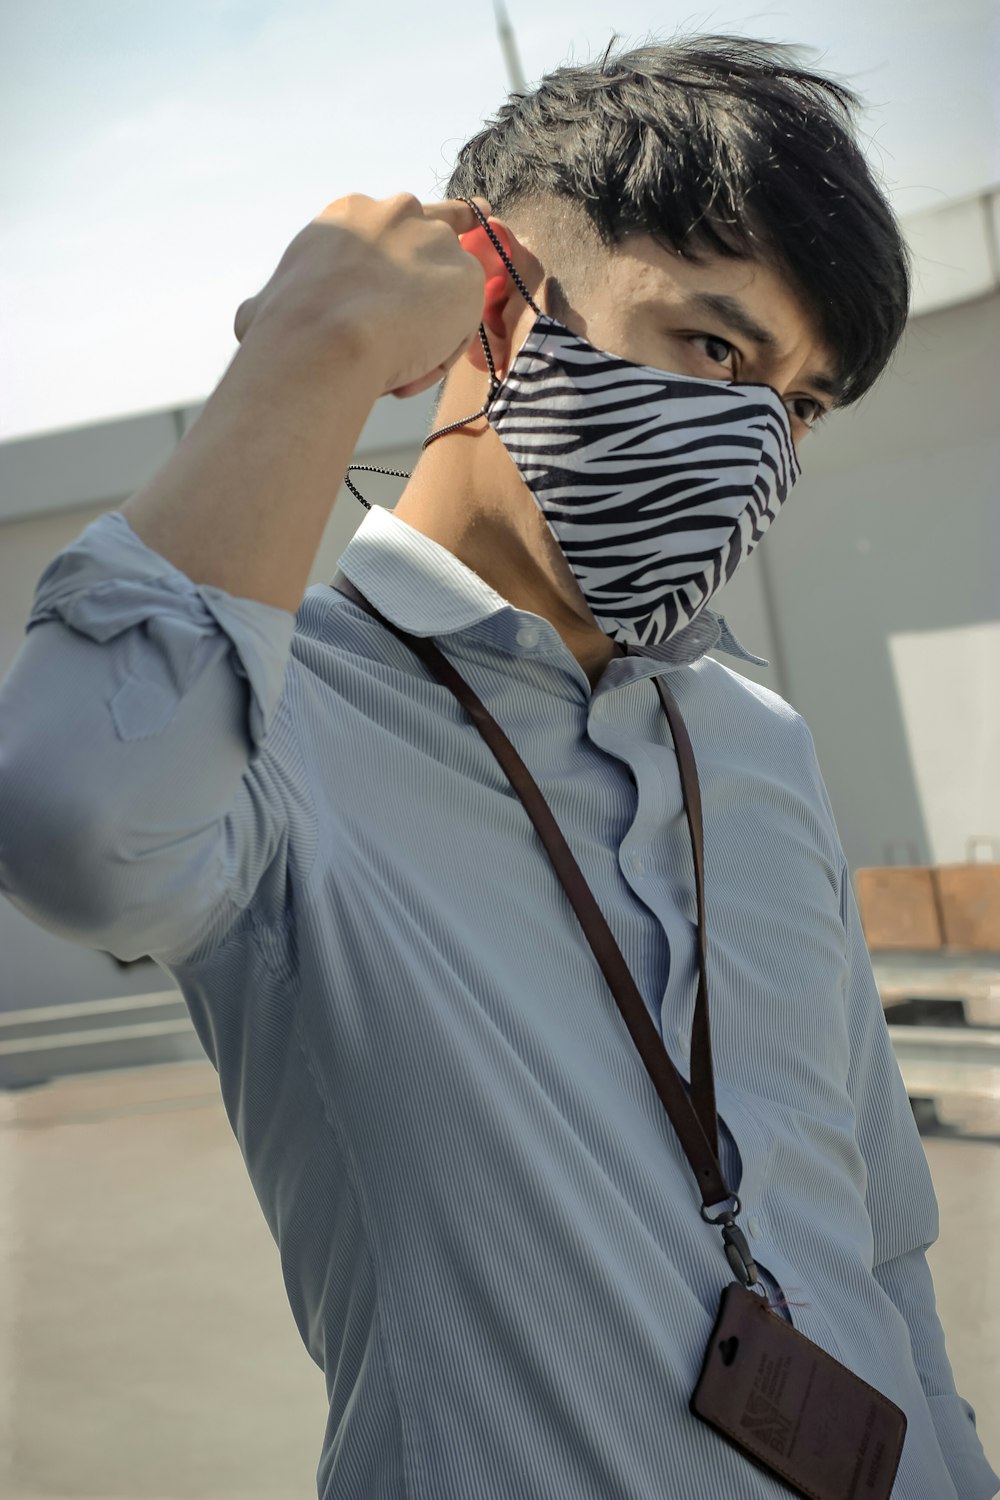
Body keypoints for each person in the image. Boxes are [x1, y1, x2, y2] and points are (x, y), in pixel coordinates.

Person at [0, 33, 996, 1500]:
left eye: (798, 406)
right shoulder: (274, 731)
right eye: (713, 348)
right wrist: (322, 336)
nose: (751, 442)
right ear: (488, 307)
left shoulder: (758, 747)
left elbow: (882, 1255)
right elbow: (75, 822)